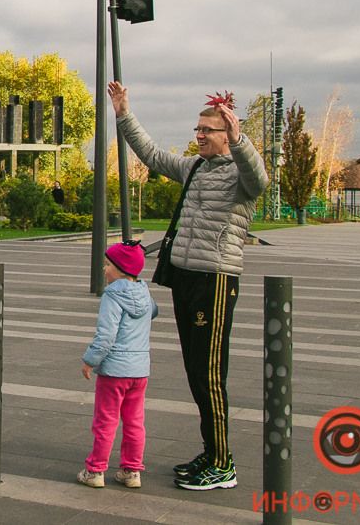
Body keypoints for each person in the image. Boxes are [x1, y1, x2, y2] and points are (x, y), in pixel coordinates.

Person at [108, 81, 267, 491]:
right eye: (197, 130)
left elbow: (260, 177)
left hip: (215, 279)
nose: (198, 136)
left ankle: (222, 464)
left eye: (206, 131)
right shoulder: (195, 167)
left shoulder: (241, 174)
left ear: (227, 133)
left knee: (209, 373)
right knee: (196, 372)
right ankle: (213, 452)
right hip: (186, 276)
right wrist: (124, 113)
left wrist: (240, 139)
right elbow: (151, 154)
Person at [77, 241, 157, 490]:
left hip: (114, 371)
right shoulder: (144, 291)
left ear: (122, 270)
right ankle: (132, 471)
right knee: (134, 421)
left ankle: (95, 470)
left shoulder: (112, 295)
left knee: (106, 420)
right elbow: (153, 311)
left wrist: (90, 360)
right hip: (139, 370)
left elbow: (106, 335)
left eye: (108, 264)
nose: (104, 269)